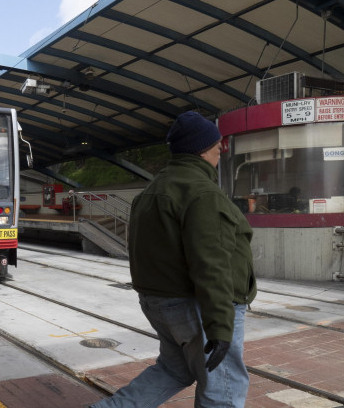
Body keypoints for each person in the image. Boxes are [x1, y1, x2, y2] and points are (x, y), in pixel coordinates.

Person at [93, 111, 257, 407]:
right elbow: (211, 263)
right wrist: (220, 326)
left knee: (174, 369)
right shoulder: (202, 193)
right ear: (204, 149)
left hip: (160, 303)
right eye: (218, 146)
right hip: (196, 305)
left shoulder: (151, 192)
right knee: (223, 386)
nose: (220, 153)